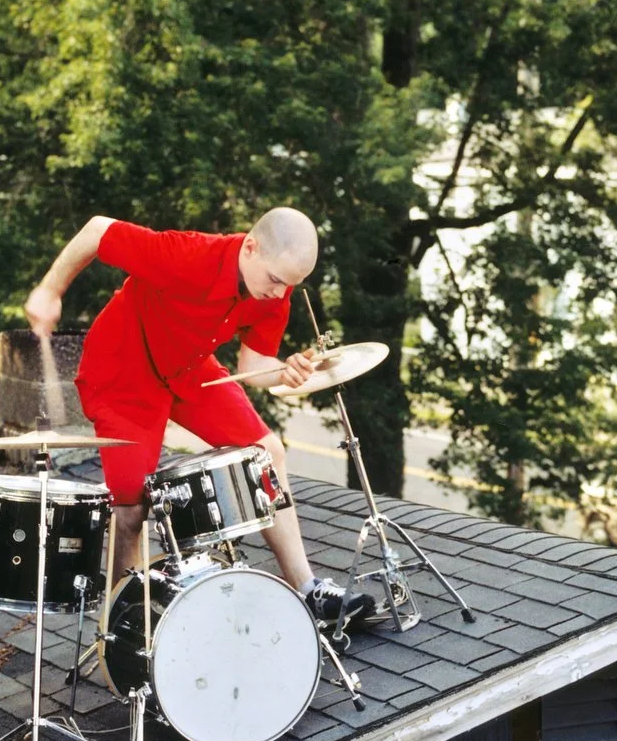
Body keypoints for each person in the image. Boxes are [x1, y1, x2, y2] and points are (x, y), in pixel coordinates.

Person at [24, 206, 374, 630]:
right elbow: (99, 230)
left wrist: (287, 371)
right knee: (132, 509)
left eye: (291, 287)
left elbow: (255, 361)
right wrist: (49, 290)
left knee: (267, 450)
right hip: (123, 374)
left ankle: (308, 589)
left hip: (187, 369)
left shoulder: (274, 292)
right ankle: (121, 623)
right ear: (250, 247)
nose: (280, 294)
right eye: (277, 281)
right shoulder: (185, 254)